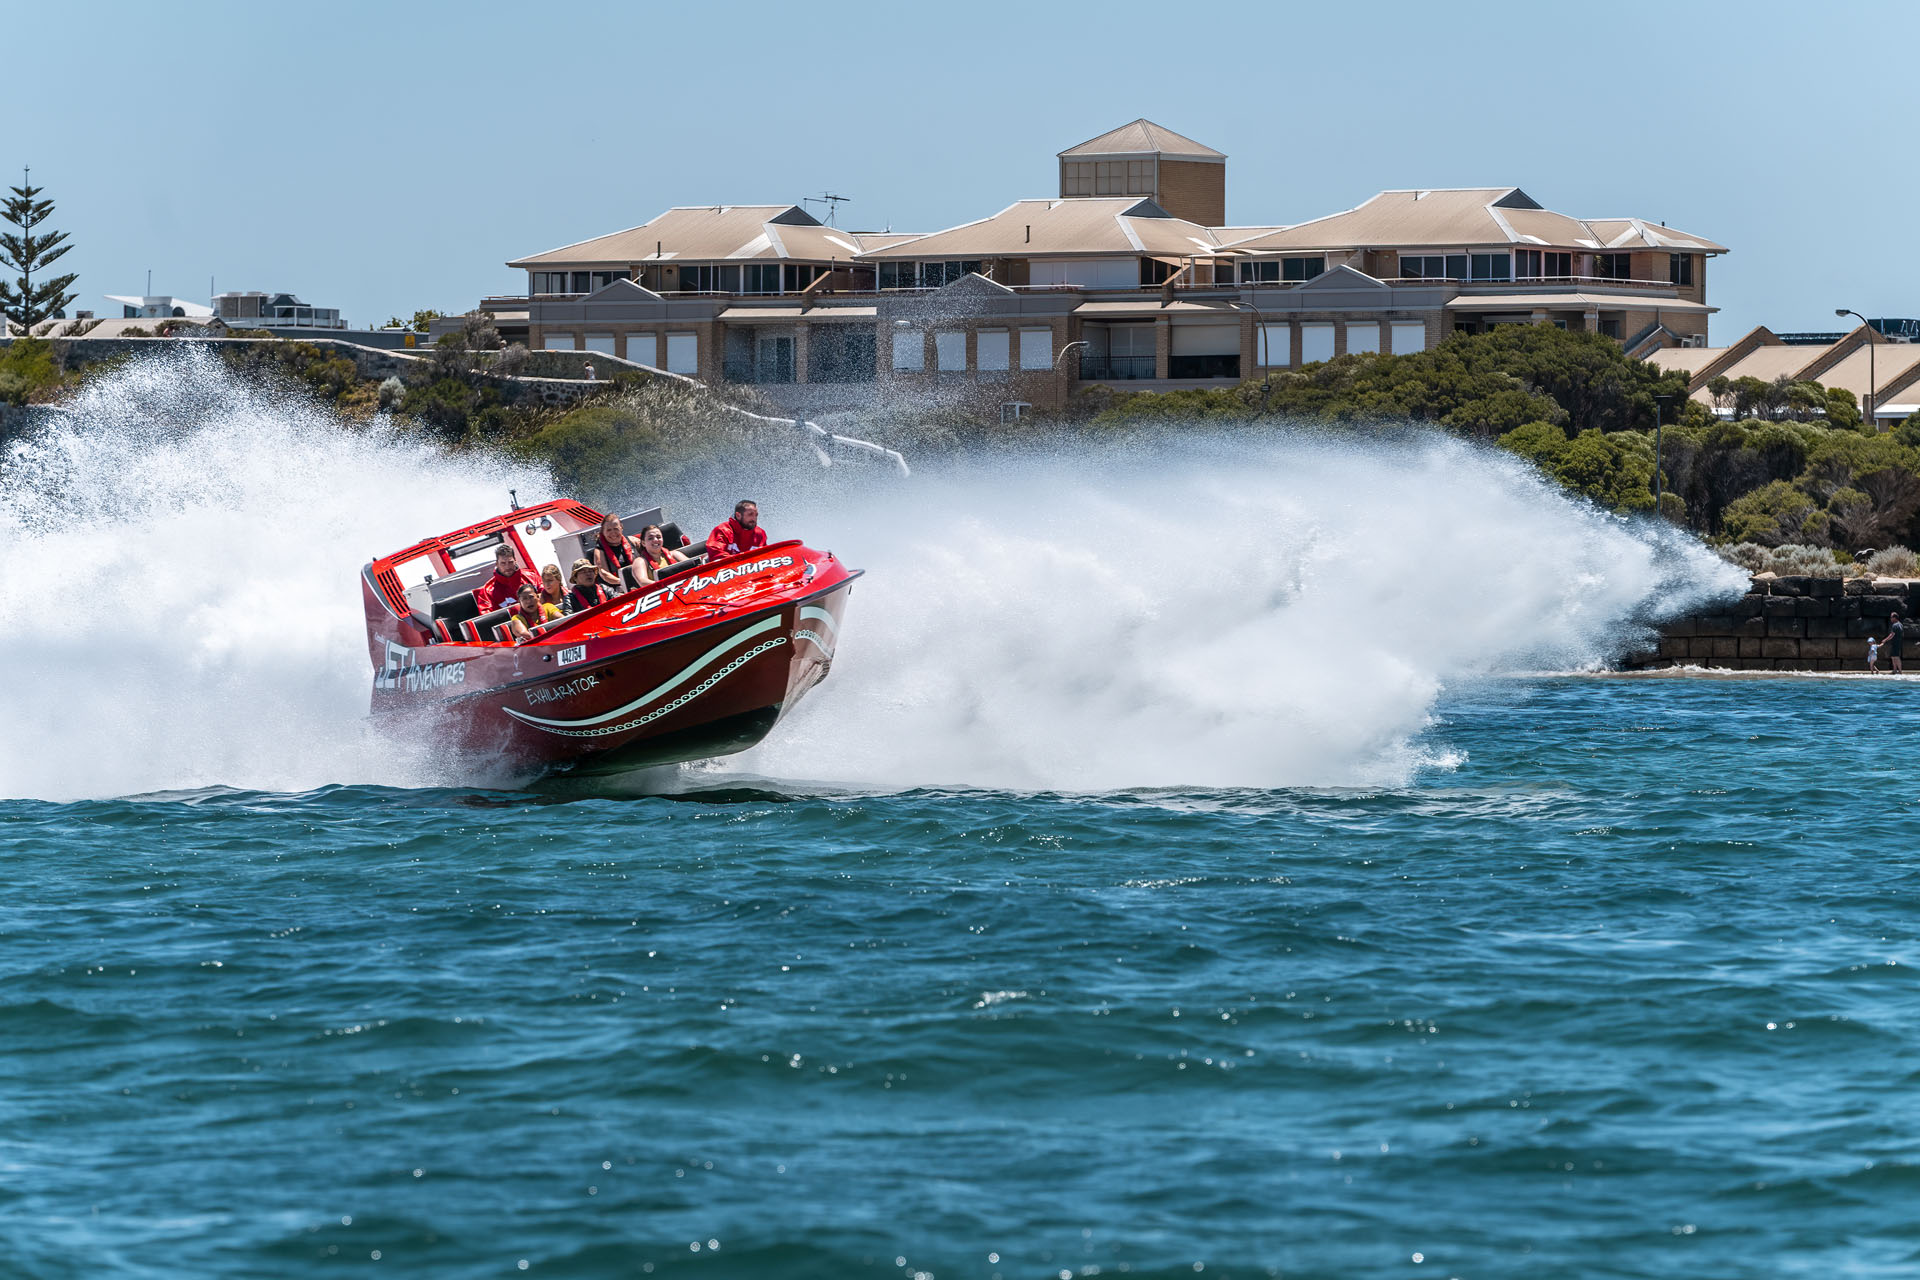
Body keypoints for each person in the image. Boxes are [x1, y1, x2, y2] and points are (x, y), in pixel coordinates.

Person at [473, 542, 541, 612]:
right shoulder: (487, 592)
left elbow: (546, 594)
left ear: (515, 561)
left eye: (510, 562)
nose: (507, 567)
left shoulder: (532, 577)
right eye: (503, 563)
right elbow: (486, 615)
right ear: (497, 564)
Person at [592, 512, 643, 590]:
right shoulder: (599, 551)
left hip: (640, 580)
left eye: (616, 529)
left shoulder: (633, 541)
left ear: (621, 528)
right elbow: (604, 574)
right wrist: (625, 581)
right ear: (603, 532)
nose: (613, 533)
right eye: (609, 530)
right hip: (617, 589)